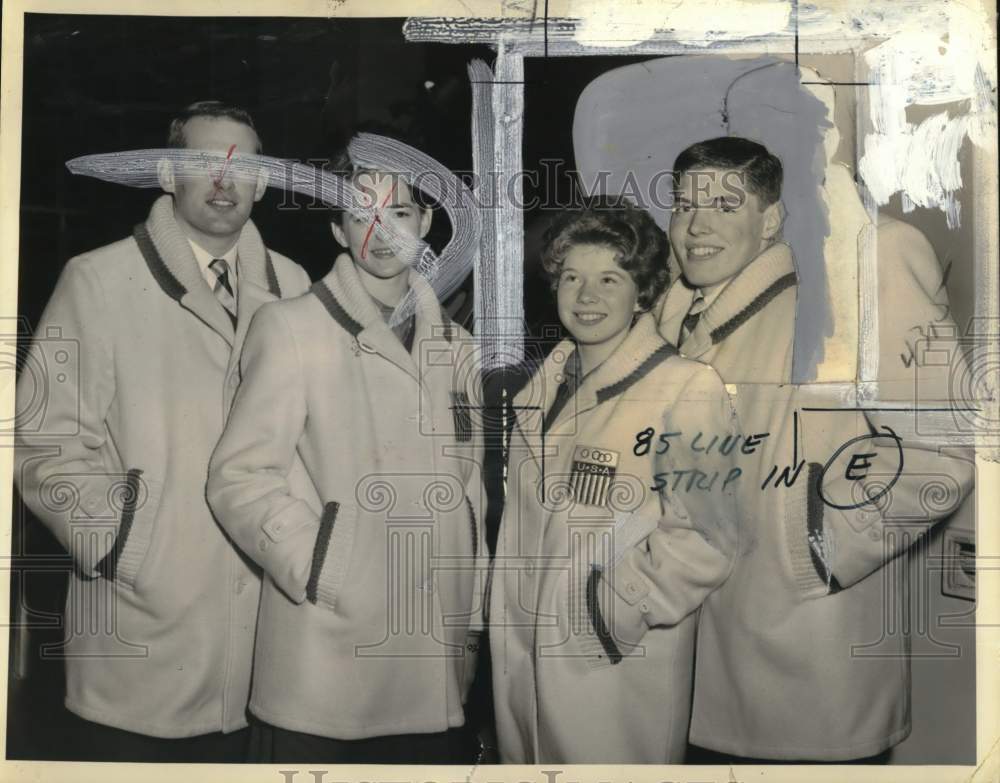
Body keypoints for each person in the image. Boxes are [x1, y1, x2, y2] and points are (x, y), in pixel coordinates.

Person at [659, 136, 975, 762]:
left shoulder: (868, 262)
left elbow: (941, 454)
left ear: (771, 215)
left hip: (805, 665)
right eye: (684, 204)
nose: (695, 225)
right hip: (690, 668)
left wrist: (816, 549)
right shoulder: (677, 311)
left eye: (725, 204)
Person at [13, 101, 312, 761]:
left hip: (266, 638)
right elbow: (43, 443)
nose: (225, 182)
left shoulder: (293, 288)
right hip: (141, 627)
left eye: (245, 167)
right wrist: (123, 541)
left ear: (263, 182)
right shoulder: (96, 279)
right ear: (166, 174)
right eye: (205, 163)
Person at [206, 140, 487, 764]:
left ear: (427, 222)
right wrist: (321, 566)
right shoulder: (291, 326)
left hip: (433, 646)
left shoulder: (459, 346)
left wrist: (474, 618)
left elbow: (471, 492)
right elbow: (239, 477)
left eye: (402, 213)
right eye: (363, 215)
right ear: (338, 227)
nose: (383, 232)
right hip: (328, 646)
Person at [490, 199, 742, 763]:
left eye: (610, 278)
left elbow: (707, 539)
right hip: (523, 667)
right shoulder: (540, 388)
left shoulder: (686, 387)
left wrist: (609, 613)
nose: (587, 296)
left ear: (643, 291)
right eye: (572, 277)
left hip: (613, 668)